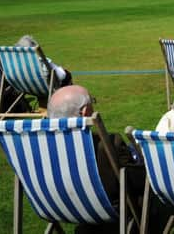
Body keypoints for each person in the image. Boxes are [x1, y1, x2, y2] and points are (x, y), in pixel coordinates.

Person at [47, 85, 144, 233]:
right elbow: (137, 182)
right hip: (110, 214)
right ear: (86, 112)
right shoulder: (107, 146)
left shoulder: (40, 151)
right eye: (92, 102)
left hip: (63, 208)